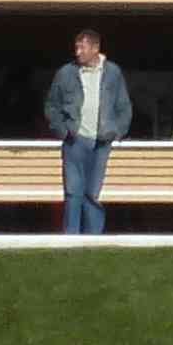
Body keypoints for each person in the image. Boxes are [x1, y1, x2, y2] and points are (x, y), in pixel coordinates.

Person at [45, 26, 131, 236]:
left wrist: (117, 131)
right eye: (76, 48)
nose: (78, 52)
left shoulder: (113, 73)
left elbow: (124, 106)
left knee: (92, 193)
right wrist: (63, 131)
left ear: (95, 48)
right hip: (75, 141)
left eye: (82, 48)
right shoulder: (65, 73)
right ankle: (71, 238)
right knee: (73, 192)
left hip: (102, 142)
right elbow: (51, 106)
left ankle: (94, 240)